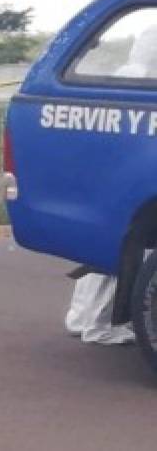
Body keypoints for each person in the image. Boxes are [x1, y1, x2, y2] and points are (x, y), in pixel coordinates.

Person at [64, 26, 157, 345]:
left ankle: (81, 318)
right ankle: (98, 326)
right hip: (124, 180)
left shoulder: (123, 73)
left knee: (98, 250)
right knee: (117, 253)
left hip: (104, 174)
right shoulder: (142, 80)